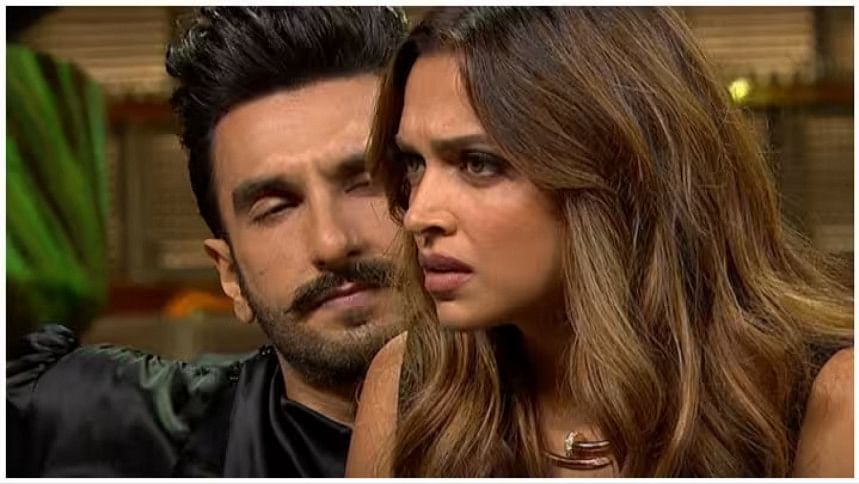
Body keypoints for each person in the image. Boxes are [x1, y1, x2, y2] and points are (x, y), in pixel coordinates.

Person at [346, 7, 854, 478]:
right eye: (414, 163)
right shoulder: (411, 389)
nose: (418, 214)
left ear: (615, 171)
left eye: (478, 163)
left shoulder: (831, 400)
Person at [8, 7, 408, 477]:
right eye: (276, 207)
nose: (332, 242)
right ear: (230, 275)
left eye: (365, 183)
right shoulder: (129, 430)